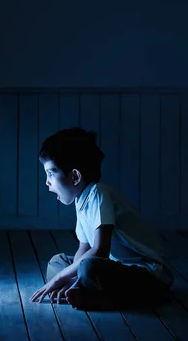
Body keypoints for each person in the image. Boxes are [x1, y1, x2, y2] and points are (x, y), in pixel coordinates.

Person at [29, 127, 174, 310]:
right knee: (57, 262)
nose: (47, 182)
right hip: (114, 268)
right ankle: (85, 291)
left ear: (75, 176)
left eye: (51, 174)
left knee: (87, 268)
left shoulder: (99, 192)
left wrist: (61, 279)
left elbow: (100, 250)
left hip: (148, 274)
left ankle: (100, 298)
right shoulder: (80, 200)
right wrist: (70, 276)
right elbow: (84, 248)